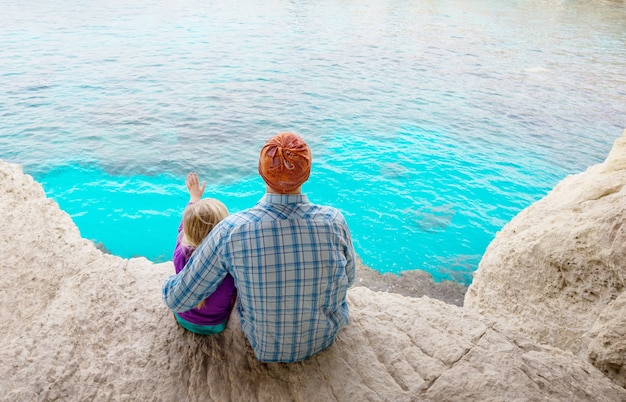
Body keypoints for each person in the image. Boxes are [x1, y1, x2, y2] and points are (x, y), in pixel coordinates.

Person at [162, 132, 356, 363]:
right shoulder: (334, 220)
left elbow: (178, 299)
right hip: (324, 338)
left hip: (265, 346)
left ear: (262, 173)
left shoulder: (232, 230)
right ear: (307, 174)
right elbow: (350, 278)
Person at [171, 172, 237, 335]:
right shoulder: (229, 264)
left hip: (182, 318)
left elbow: (184, 226)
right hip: (215, 325)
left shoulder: (180, 252)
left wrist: (194, 197)